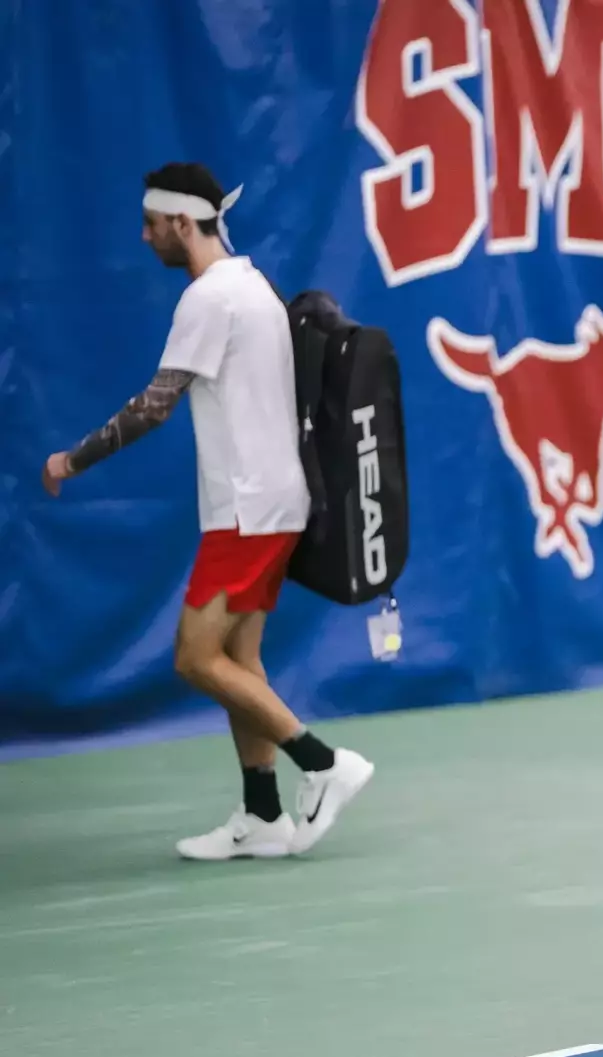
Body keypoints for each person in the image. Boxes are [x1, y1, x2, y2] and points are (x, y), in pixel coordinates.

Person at [40, 162, 375, 860]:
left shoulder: (210, 298)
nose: (144, 236)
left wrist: (73, 460)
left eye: (151, 224)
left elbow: (154, 406)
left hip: (247, 510)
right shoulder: (253, 286)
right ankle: (264, 814)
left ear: (181, 223)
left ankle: (323, 764)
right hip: (271, 502)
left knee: (195, 658)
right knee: (238, 660)